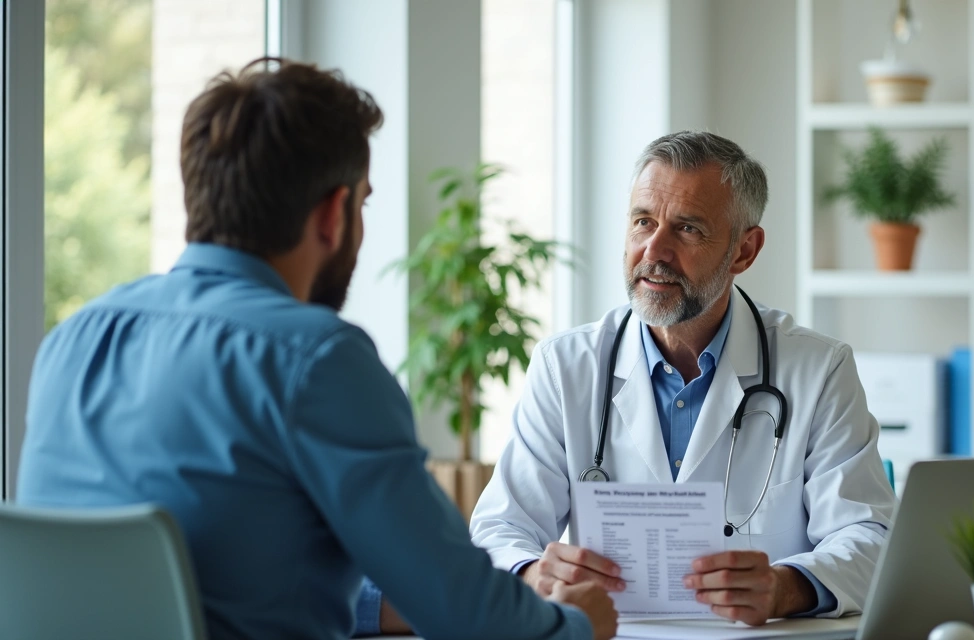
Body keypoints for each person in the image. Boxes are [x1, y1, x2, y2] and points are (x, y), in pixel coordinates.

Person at [17, 58, 616, 640]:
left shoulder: (74, 338)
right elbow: (467, 616)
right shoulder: (315, 360)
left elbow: (213, 578)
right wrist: (576, 624)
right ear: (334, 214)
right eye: (363, 203)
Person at [469, 131, 897, 626]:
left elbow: (870, 538)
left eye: (688, 229)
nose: (655, 249)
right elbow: (499, 529)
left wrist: (786, 587)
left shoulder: (818, 369)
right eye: (643, 222)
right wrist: (532, 575)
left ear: (744, 251)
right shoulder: (567, 366)